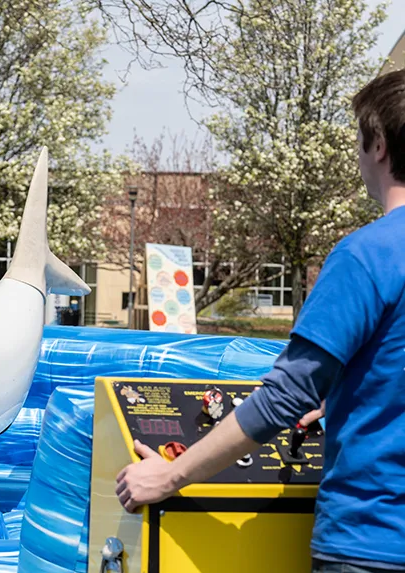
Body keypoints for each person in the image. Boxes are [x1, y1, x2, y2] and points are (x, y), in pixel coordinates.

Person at [115, 69, 405, 573]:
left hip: (371, 539)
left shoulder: (368, 255)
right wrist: (347, 398)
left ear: (378, 144)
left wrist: (171, 475)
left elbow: (284, 398)